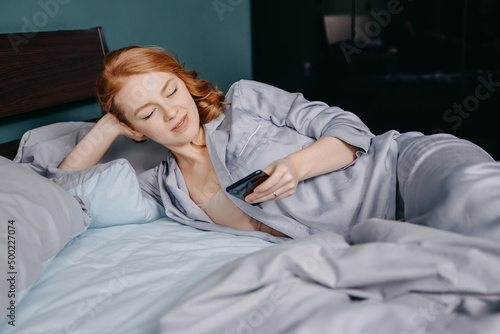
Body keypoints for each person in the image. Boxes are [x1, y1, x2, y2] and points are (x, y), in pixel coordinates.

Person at [59, 46, 500, 243]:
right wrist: (107, 129)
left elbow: (351, 130)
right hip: (366, 235)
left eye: (170, 91)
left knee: (481, 199)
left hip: (400, 168)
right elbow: (62, 190)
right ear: (135, 128)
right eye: (148, 112)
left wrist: (295, 167)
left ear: (183, 81)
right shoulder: (167, 189)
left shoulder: (245, 99)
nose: (171, 112)